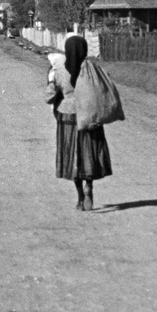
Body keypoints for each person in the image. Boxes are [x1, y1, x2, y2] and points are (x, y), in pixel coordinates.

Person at [44, 35, 112, 211]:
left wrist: (52, 82)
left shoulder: (59, 72)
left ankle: (80, 197)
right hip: (89, 116)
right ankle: (89, 187)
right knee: (88, 153)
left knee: (71, 154)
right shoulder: (92, 69)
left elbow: (49, 98)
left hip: (67, 118)